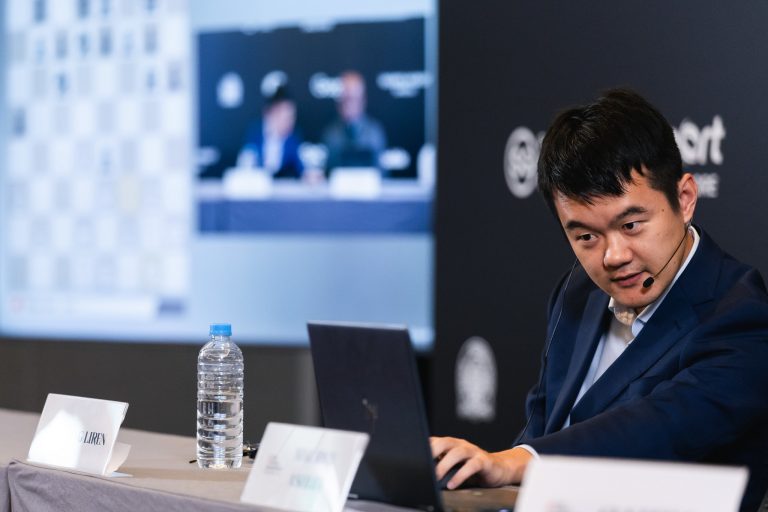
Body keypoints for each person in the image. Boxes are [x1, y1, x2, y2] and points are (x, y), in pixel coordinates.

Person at [431, 89, 768, 512]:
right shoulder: (578, 293)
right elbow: (542, 426)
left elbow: (655, 430)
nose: (613, 257)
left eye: (631, 224)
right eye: (585, 236)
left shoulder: (742, 318)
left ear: (684, 200)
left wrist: (519, 462)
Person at [321, 71, 387, 173]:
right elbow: (327, 173)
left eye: (353, 98)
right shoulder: (330, 133)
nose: (348, 104)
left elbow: (382, 172)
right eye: (345, 98)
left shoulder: (375, 132)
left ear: (363, 100)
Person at [237, 85, 303, 179]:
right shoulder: (254, 133)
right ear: (272, 114)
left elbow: (300, 166)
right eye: (287, 118)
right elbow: (246, 162)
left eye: (293, 117)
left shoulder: (293, 137)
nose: (291, 122)